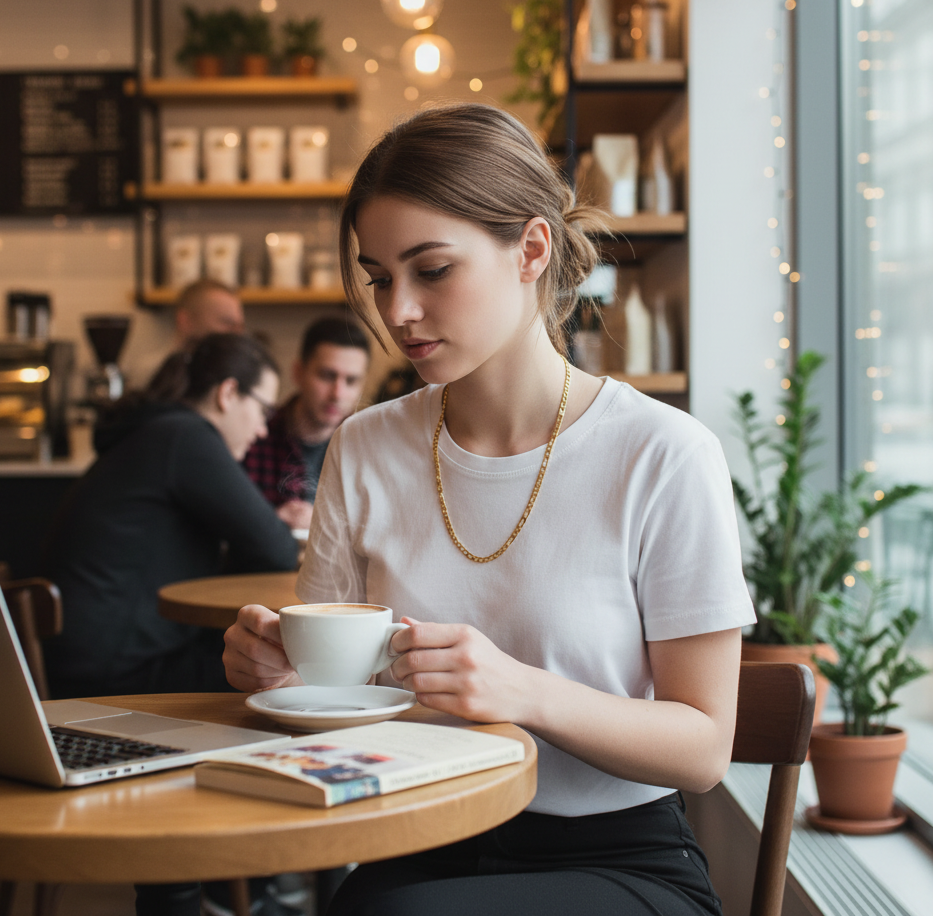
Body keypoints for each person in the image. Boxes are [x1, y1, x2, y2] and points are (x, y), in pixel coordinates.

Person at [223, 103, 756, 916]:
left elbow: (704, 746)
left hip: (620, 860)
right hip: (413, 834)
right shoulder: (365, 446)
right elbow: (335, 700)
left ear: (532, 250)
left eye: (431, 270)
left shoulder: (664, 454)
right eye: (378, 277)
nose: (397, 310)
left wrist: (522, 691)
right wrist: (281, 673)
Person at [44, 333, 299, 701]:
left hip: (85, 660)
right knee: (279, 675)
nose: (262, 430)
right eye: (264, 410)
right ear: (227, 393)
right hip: (117, 673)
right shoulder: (186, 435)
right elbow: (276, 549)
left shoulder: (155, 431)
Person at [243, 316, 371, 530]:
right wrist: (270, 523)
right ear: (298, 372)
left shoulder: (367, 447)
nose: (337, 394)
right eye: (327, 376)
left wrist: (322, 524)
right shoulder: (255, 436)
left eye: (351, 381)